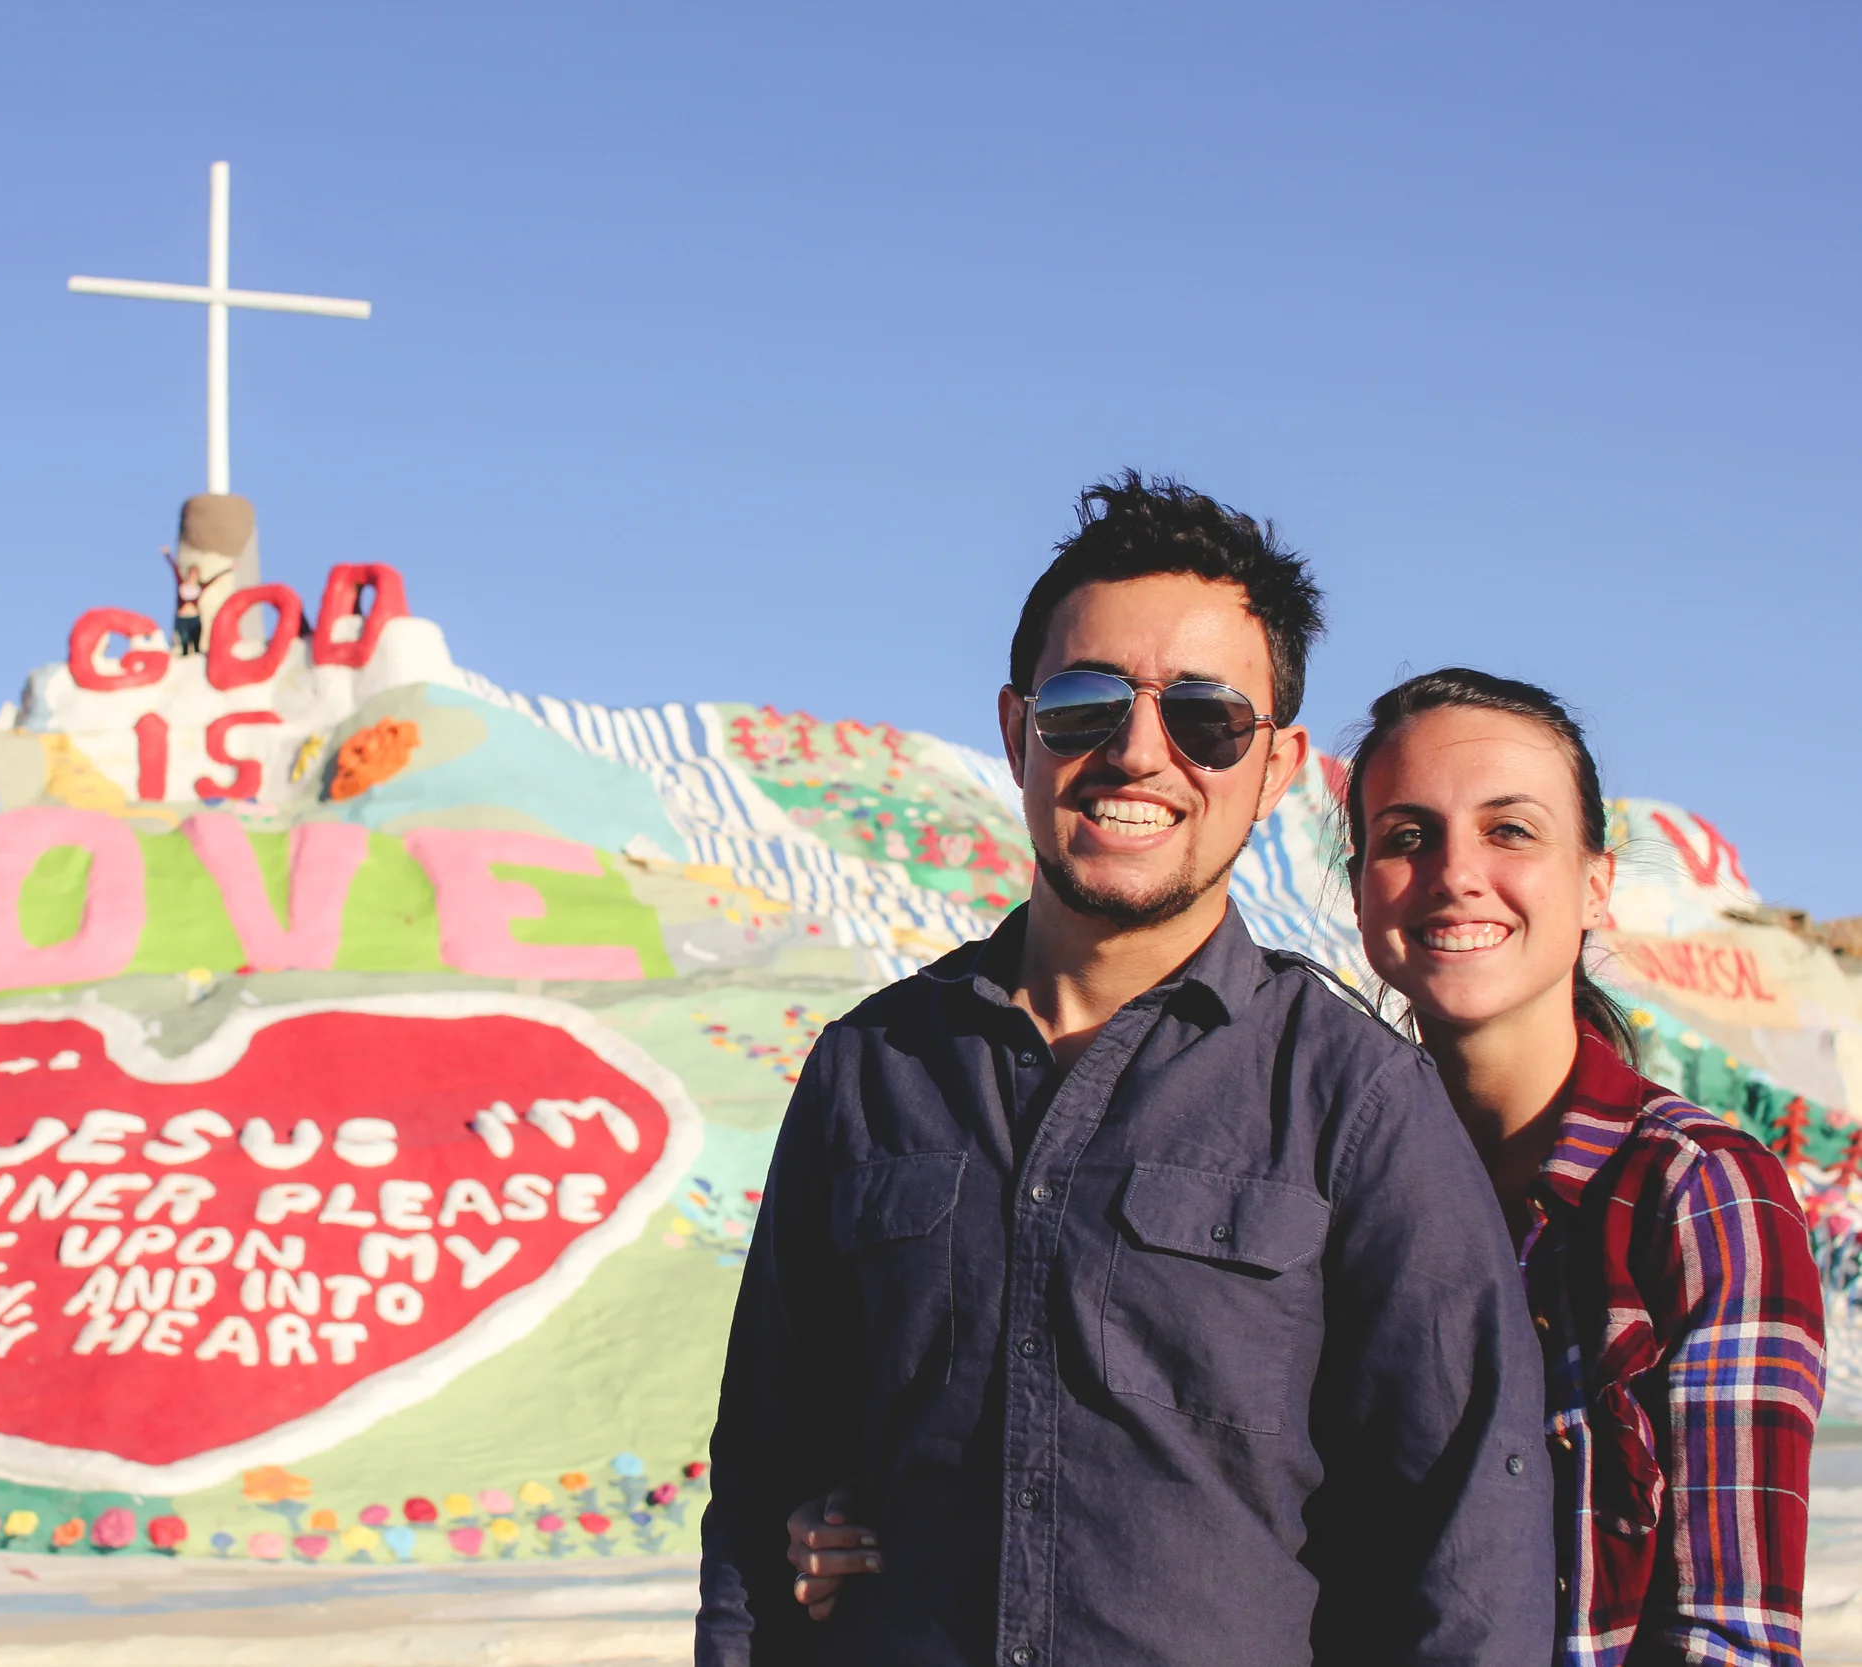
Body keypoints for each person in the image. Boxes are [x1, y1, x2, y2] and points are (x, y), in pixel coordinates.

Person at [782, 667, 1828, 1663]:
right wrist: (863, 1513)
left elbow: (1727, 1631)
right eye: (1405, 836)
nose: (1456, 872)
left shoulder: (1694, 1193)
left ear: (1596, 881)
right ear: (1361, 888)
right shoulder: (1306, 1165)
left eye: (1510, 829)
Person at [696, 472, 1553, 1667]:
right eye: (1086, 702)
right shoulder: (867, 1070)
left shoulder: (1354, 1103)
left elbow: (1467, 1540)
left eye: (1205, 717)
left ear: (1273, 765)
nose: (1137, 752)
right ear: (1016, 732)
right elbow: (761, 1484)